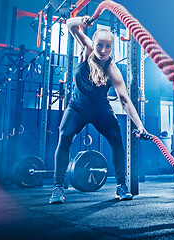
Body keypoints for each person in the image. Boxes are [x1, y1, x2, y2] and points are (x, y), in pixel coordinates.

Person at [49, 16, 147, 204]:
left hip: (100, 109)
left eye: (108, 46)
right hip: (77, 107)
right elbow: (70, 25)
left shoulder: (112, 68)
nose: (103, 50)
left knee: (117, 139)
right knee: (65, 135)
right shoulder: (87, 52)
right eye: (100, 45)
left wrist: (140, 125)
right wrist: (83, 20)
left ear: (112, 48)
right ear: (93, 44)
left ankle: (121, 186)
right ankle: (58, 187)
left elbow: (125, 100)